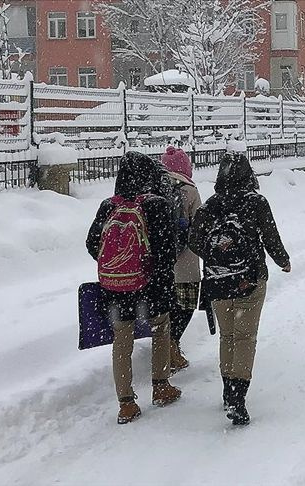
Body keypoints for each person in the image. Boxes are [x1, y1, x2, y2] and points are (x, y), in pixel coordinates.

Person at [189, 152, 290, 426]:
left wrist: (216, 254)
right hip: (250, 280)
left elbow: (194, 240)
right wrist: (283, 261)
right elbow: (270, 236)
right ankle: (238, 397)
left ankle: (227, 390)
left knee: (228, 337)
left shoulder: (211, 205)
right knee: (245, 339)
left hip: (218, 281)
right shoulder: (256, 202)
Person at [86, 151, 181, 425]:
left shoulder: (108, 206)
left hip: (115, 288)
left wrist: (118, 265)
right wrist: (152, 274)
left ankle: (126, 403)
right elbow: (167, 250)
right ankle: (161, 386)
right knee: (161, 329)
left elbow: (93, 243)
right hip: (151, 286)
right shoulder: (156, 204)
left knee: (122, 341)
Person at [160, 146, 202, 372]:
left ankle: (165, 346)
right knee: (185, 305)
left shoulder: (153, 187)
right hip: (185, 262)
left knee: (165, 307)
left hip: (160, 262)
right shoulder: (190, 190)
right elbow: (200, 226)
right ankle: (173, 344)